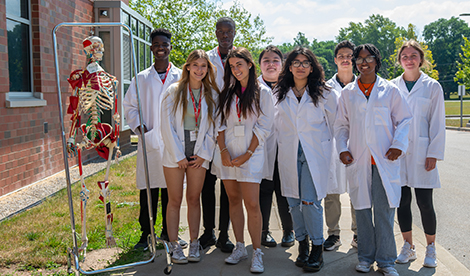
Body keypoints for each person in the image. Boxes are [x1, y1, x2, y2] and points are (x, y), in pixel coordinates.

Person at [334, 43, 412, 276]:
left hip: (384, 161)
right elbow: (340, 125)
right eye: (359, 59)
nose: (363, 62)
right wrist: (342, 148)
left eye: (368, 58)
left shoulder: (389, 90)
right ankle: (365, 257)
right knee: (362, 211)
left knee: (385, 212)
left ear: (377, 61)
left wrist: (398, 145)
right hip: (358, 160)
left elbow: (405, 119)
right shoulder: (348, 93)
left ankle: (386, 261)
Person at [123, 28, 186, 250]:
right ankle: (146, 234)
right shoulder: (141, 78)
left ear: (170, 47)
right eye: (157, 44)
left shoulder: (181, 76)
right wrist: (141, 128)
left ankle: (169, 233)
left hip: (173, 142)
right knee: (148, 189)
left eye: (165, 44)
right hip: (149, 139)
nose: (161, 48)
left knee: (171, 189)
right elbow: (129, 105)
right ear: (151, 48)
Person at [275, 47, 337, 273]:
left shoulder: (325, 93)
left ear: (312, 67)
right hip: (289, 153)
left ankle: (317, 249)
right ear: (289, 67)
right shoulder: (279, 94)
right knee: (293, 202)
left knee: (310, 202)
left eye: (305, 63)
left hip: (314, 155)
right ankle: (302, 245)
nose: (300, 66)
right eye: (296, 62)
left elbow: (336, 124)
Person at [212, 47, 274, 273]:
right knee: (233, 201)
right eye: (232, 66)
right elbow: (219, 124)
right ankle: (240, 247)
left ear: (249, 64)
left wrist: (247, 154)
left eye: (240, 64)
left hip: (251, 156)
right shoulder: (226, 92)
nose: (236, 69)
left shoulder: (263, 92)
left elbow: (264, 126)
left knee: (252, 204)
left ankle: (257, 251)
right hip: (228, 156)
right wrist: (223, 152)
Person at [161, 50, 219, 263]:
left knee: (194, 199)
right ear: (187, 67)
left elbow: (214, 128)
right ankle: (175, 245)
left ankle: (194, 243)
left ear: (208, 69)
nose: (199, 70)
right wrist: (178, 156)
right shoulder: (173, 91)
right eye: (195, 65)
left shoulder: (212, 94)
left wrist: (203, 154)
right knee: (174, 200)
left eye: (204, 66)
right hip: (175, 152)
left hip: (199, 153)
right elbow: (165, 126)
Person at [391, 40, 445, 268]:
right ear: (400, 60)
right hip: (399, 152)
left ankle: (430, 248)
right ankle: (408, 246)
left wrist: (433, 152)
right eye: (405, 56)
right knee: (402, 202)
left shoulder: (432, 87)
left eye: (414, 55)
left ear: (421, 60)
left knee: (424, 203)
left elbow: (438, 123)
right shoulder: (392, 86)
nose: (409, 59)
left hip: (423, 152)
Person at [198, 17, 236, 253]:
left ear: (234, 32)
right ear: (215, 34)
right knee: (206, 183)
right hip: (208, 127)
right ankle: (208, 231)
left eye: (228, 31)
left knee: (228, 185)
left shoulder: (240, 57)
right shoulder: (207, 59)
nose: (224, 35)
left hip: (232, 129)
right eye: (220, 31)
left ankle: (224, 234)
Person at [258, 45, 294, 248]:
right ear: (260, 64)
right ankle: (264, 231)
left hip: (285, 147)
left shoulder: (291, 87)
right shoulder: (253, 87)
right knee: (264, 190)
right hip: (260, 147)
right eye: (266, 61)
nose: (271, 64)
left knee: (285, 190)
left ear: (282, 65)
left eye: (275, 61)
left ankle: (289, 230)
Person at [324, 40, 358, 250]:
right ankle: (333, 234)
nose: (345, 59)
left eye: (349, 55)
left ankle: (358, 233)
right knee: (331, 192)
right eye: (341, 56)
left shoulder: (364, 84)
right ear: (335, 60)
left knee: (358, 191)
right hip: (333, 147)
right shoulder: (326, 87)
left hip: (357, 146)